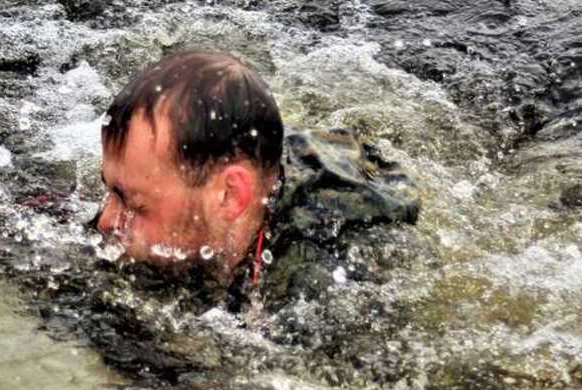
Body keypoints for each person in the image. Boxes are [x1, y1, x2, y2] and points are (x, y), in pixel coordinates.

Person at [96, 48, 420, 301]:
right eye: (109, 190)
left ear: (229, 195)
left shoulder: (330, 280)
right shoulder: (150, 189)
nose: (106, 221)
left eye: (132, 204)